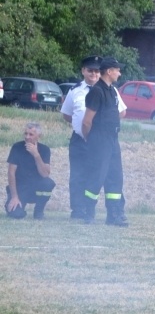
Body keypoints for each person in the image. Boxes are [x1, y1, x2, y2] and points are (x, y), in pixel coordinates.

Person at [81, 57, 128, 226]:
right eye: (117, 70)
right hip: (99, 139)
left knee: (115, 176)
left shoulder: (112, 90)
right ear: (109, 71)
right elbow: (87, 121)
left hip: (112, 139)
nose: (119, 73)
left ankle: (113, 215)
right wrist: (90, 139)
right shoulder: (97, 91)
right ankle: (88, 211)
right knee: (96, 176)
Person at [60, 55, 102, 220]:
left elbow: (121, 112)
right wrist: (81, 126)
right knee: (77, 175)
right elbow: (66, 114)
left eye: (97, 71)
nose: (94, 74)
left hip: (99, 142)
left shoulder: (109, 90)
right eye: (90, 70)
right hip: (79, 140)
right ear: (83, 71)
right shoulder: (75, 90)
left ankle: (89, 209)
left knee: (95, 175)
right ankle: (77, 209)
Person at [5, 122, 56, 220]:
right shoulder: (17, 147)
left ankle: (39, 211)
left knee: (48, 183)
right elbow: (11, 173)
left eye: (31, 134)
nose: (27, 137)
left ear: (39, 136)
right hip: (20, 187)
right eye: (26, 133)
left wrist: (36, 155)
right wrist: (14, 196)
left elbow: (45, 174)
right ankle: (11, 202)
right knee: (16, 214)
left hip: (36, 187)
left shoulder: (45, 150)